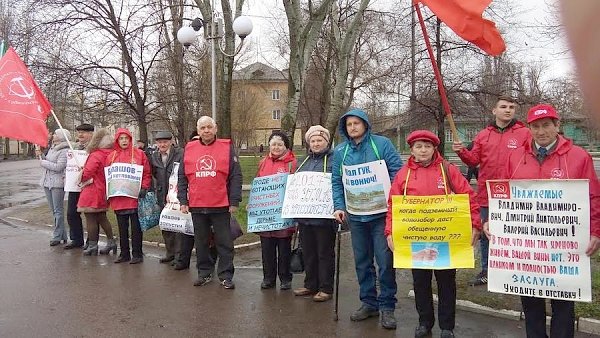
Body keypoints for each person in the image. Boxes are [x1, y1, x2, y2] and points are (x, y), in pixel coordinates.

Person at [494, 104, 600, 338]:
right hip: (528, 247)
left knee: (563, 303)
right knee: (531, 302)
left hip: (564, 246)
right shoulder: (516, 156)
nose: (541, 132)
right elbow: (503, 193)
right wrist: (493, 219)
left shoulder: (578, 156)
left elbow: (593, 196)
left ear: (557, 126)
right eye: (535, 127)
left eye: (546, 125)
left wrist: (595, 231)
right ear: (529, 128)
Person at [385, 130, 481, 338]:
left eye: (427, 146)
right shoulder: (404, 173)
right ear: (412, 149)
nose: (423, 150)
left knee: (446, 282)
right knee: (421, 282)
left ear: (434, 148)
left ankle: (447, 326)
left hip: (446, 238)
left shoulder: (447, 169)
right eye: (418, 146)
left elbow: (468, 197)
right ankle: (424, 323)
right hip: (416, 238)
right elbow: (393, 204)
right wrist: (390, 231)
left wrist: (475, 225)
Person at [331, 108, 403, 330]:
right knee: (362, 262)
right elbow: (336, 180)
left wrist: (392, 201)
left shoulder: (382, 144)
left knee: (385, 262)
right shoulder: (340, 151)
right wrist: (339, 206)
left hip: (381, 215)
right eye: (349, 124)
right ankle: (369, 302)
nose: (353, 127)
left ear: (365, 124)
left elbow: (397, 173)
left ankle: (387, 306)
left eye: (356, 123)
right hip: (356, 216)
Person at [452, 96, 530, 286]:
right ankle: (487, 270)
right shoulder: (483, 135)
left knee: (514, 232)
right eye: (503, 106)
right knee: (486, 233)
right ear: (494, 110)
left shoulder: (525, 133)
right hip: (487, 194)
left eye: (512, 107)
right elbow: (473, 160)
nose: (508, 110)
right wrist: (461, 151)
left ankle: (514, 270)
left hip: (515, 194)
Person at [178, 116, 242, 289]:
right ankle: (204, 273)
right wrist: (183, 200)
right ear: (198, 131)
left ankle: (226, 275)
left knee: (224, 243)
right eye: (203, 128)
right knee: (201, 243)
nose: (206, 130)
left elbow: (236, 175)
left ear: (215, 129)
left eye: (209, 127)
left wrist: (234, 200)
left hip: (221, 204)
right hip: (197, 205)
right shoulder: (189, 149)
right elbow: (182, 177)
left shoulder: (227, 148)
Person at [292, 125, 336, 302]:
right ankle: (310, 284)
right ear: (308, 143)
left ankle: (326, 287)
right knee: (308, 252)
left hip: (325, 217)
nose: (316, 143)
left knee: (324, 253)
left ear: (326, 141)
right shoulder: (303, 161)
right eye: (313, 140)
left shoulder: (334, 160)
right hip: (305, 217)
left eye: (320, 140)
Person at [255, 131, 297, 291]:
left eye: (280, 144)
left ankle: (285, 278)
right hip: (265, 214)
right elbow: (258, 182)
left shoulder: (292, 163)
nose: (276, 147)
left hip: (283, 213)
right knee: (266, 248)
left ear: (286, 146)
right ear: (269, 146)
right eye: (273, 144)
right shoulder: (263, 162)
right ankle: (268, 278)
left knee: (284, 247)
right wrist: (253, 203)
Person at [105, 128, 152, 264]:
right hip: (119, 197)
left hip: (134, 196)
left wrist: (144, 186)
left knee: (136, 227)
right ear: (117, 140)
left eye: (126, 138)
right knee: (122, 227)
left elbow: (147, 172)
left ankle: (137, 253)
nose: (124, 141)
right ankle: (124, 253)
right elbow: (108, 176)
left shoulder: (139, 154)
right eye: (121, 138)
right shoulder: (111, 156)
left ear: (130, 139)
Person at [77, 128, 117, 256]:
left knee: (90, 218)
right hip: (105, 189)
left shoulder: (96, 155)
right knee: (102, 217)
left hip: (93, 189)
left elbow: (88, 173)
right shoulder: (112, 154)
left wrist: (81, 173)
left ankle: (93, 245)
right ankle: (111, 242)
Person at [149, 131, 183, 264]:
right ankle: (170, 253)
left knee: (178, 226)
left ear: (170, 142)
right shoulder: (155, 156)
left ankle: (179, 256)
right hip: (162, 195)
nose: (162, 144)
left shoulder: (180, 153)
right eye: (159, 142)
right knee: (166, 225)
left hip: (177, 195)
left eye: (165, 142)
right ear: (156, 143)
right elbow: (154, 173)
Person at [38, 129, 71, 246]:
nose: (53, 135)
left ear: (61, 136)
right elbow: (47, 161)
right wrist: (41, 155)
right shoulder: (53, 147)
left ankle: (57, 235)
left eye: (56, 133)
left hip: (57, 183)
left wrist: (43, 163)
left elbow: (59, 167)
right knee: (54, 210)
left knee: (58, 210)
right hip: (47, 182)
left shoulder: (64, 150)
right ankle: (62, 235)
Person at [65, 123, 95, 250]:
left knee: (91, 215)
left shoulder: (94, 149)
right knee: (71, 213)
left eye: (83, 132)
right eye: (79, 132)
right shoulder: (75, 149)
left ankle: (92, 241)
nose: (80, 134)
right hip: (75, 185)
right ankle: (76, 239)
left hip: (90, 185)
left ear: (91, 134)